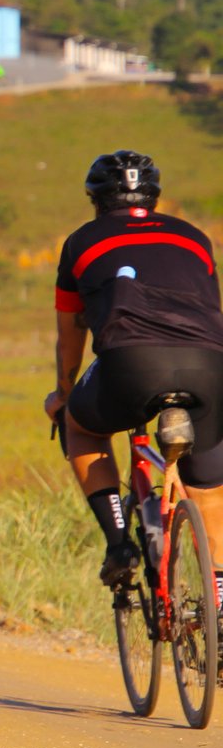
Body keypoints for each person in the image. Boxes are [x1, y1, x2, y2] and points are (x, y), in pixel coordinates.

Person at [45, 151, 223, 591]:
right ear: (154, 197)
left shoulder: (82, 242)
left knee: (80, 426)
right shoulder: (195, 238)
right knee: (212, 491)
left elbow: (70, 337)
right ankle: (219, 597)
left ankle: (119, 543)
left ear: (96, 200)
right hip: (210, 365)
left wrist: (63, 395)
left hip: (132, 364)